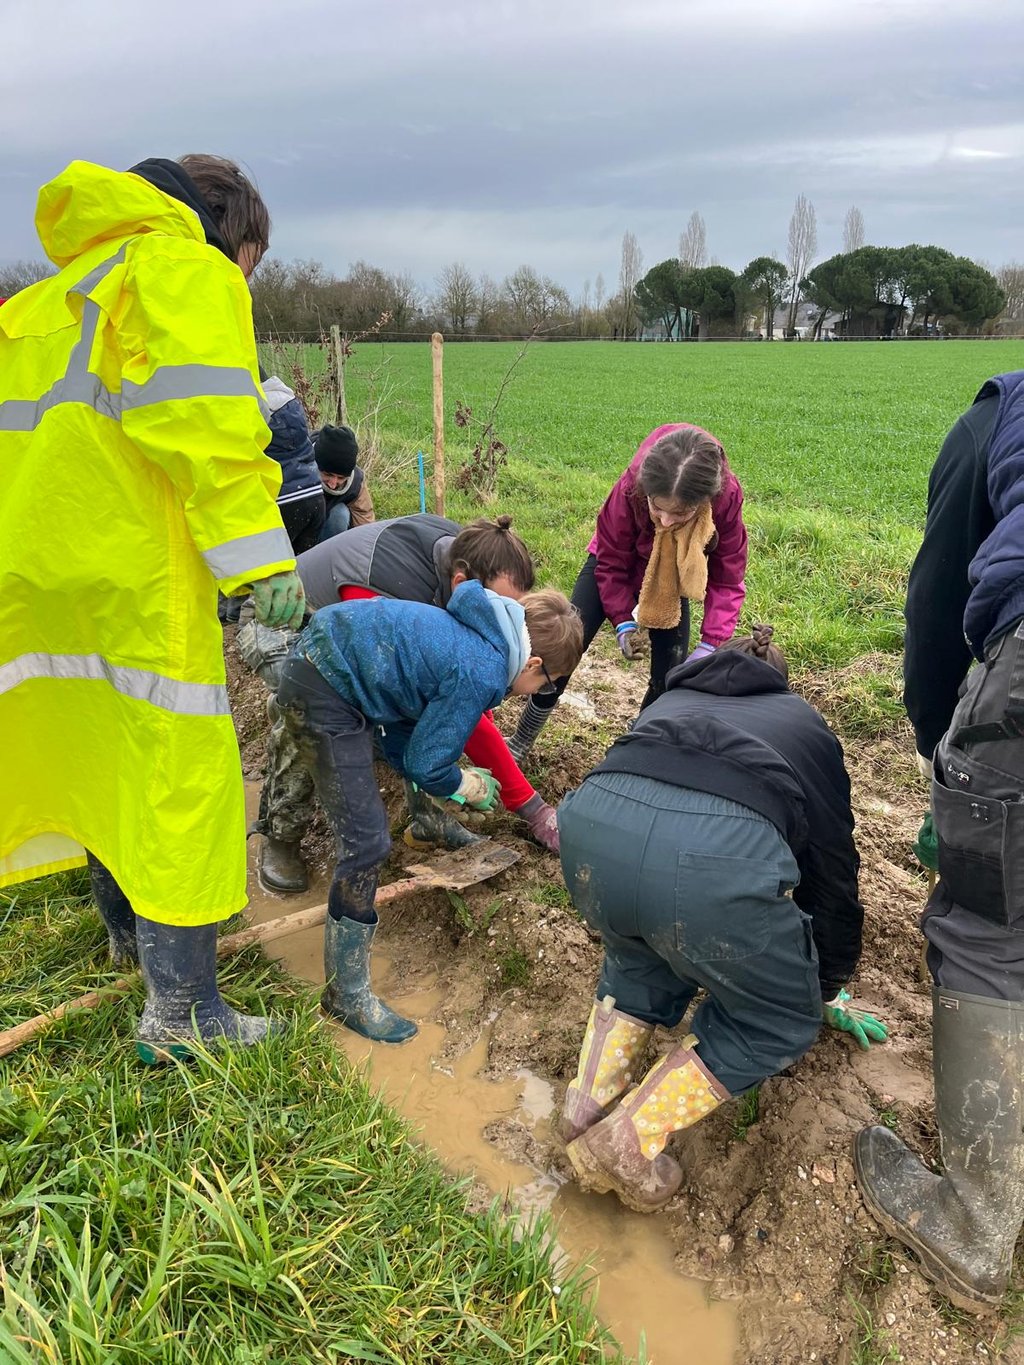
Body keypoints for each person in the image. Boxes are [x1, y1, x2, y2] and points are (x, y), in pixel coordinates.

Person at [0, 154, 306, 1063]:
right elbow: (210, 430)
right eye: (250, 263)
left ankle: (127, 938)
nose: (245, 281)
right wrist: (261, 561)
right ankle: (183, 1014)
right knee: (177, 777)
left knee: (103, 760)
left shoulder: (46, 302)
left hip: (43, 577)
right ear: (229, 234)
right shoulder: (181, 270)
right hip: (140, 578)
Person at [557, 627, 884, 1212]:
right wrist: (824, 984)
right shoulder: (805, 725)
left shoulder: (669, 697)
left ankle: (584, 1107)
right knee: (777, 1019)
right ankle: (629, 1141)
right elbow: (832, 871)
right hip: (715, 853)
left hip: (594, 830)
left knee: (639, 956)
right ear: (779, 685)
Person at [855, 372, 1024, 1312]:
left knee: (991, 922)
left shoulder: (998, 414)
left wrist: (943, 754)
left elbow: (935, 611)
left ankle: (975, 1222)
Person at [276, 582, 583, 1042]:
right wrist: (464, 784)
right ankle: (346, 993)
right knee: (367, 842)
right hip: (326, 688)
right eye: (545, 683)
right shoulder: (483, 669)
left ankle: (428, 822)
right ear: (534, 664)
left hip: (330, 661)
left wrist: (444, 787)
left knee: (433, 741)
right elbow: (426, 763)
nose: (534, 692)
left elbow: (409, 727)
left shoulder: (482, 631)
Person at [242, 514, 564, 894]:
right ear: (461, 582)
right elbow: (457, 713)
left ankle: (428, 820)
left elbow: (455, 702)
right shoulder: (396, 586)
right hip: (284, 620)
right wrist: (527, 804)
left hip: (344, 639)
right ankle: (281, 835)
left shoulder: (473, 563)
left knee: (417, 713)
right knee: (312, 719)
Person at [508, 423, 748, 762]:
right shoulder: (630, 487)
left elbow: (727, 578)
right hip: (615, 561)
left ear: (705, 501)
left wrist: (712, 642)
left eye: (680, 513)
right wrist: (622, 619)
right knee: (563, 646)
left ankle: (632, 756)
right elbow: (610, 561)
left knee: (669, 676)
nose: (666, 521)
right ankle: (521, 740)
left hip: (672, 573)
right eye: (657, 508)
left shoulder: (725, 498)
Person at [313, 424, 375, 539]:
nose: (332, 485)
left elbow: (364, 521)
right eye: (328, 474)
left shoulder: (356, 483)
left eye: (341, 478)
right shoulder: (298, 466)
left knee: (340, 514)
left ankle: (330, 550)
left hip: (326, 530)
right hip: (295, 530)